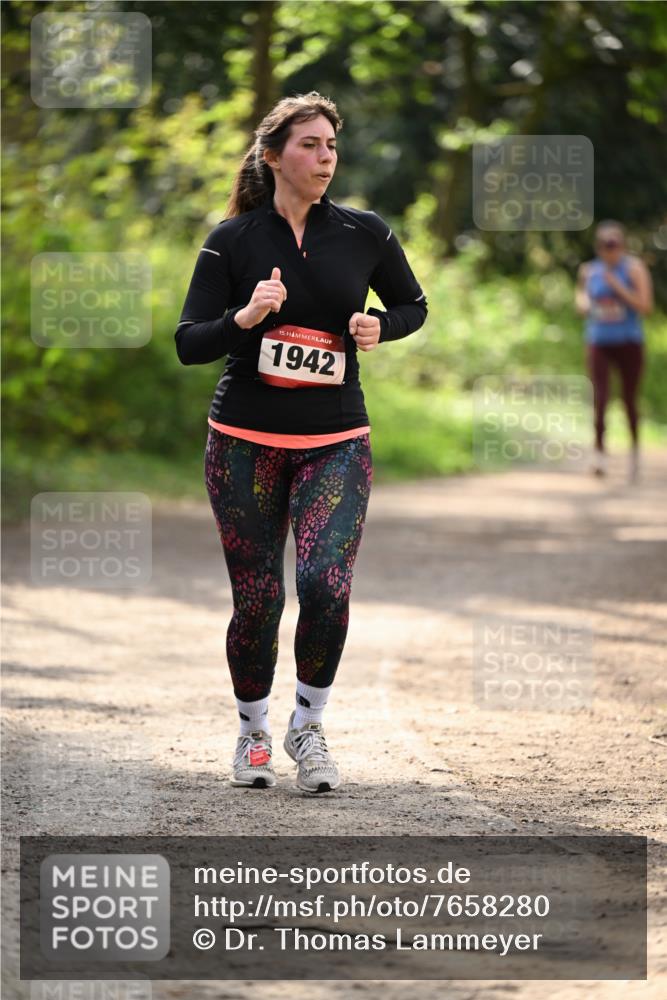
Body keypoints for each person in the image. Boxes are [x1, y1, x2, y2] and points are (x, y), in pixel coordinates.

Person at [174, 92, 427, 793]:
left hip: (335, 440)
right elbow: (188, 343)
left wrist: (384, 326)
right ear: (273, 155)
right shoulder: (232, 240)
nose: (325, 159)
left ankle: (307, 727)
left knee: (325, 583)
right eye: (310, 146)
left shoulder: (364, 233)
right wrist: (246, 316)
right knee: (257, 599)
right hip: (243, 443)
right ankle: (252, 732)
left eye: (331, 147)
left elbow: (413, 303)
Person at [575, 220, 653, 481]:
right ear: (598, 247)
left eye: (614, 245)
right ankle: (599, 456)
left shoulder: (634, 269)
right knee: (600, 397)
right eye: (604, 245)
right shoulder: (588, 271)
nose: (609, 250)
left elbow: (645, 306)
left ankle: (634, 455)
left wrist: (618, 287)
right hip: (599, 340)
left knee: (629, 399)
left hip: (629, 341)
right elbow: (582, 299)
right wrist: (585, 304)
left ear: (622, 246)